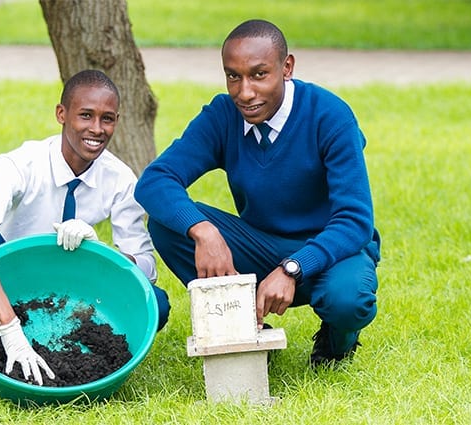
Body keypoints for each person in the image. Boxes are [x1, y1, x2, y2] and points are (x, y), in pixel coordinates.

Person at [134, 20, 380, 368]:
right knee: (167, 224)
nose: (244, 92)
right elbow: (155, 180)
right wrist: (203, 231)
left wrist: (294, 268)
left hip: (331, 250)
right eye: (233, 76)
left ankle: (337, 342)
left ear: (287, 68)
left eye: (259, 74)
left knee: (347, 299)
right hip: (262, 245)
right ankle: (238, 322)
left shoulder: (330, 116)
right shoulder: (223, 115)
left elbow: (355, 221)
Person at [0, 69, 170, 385]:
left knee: (157, 303)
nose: (97, 129)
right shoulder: (21, 164)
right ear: (61, 114)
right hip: (13, 281)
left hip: (75, 288)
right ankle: (3, 332)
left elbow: (146, 268)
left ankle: (70, 335)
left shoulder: (120, 180)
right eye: (85, 116)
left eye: (107, 119)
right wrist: (10, 326)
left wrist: (101, 252)